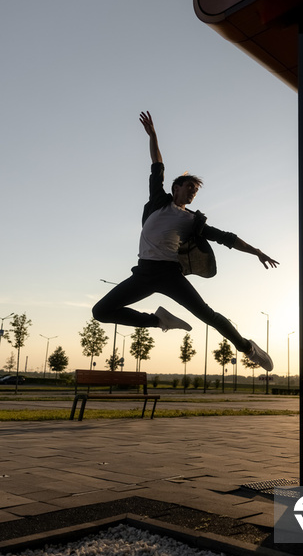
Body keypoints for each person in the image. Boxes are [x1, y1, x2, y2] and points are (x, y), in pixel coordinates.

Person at [92, 111, 278, 371]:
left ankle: (248, 348)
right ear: (175, 187)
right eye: (190, 187)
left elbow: (227, 238)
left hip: (170, 274)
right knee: (101, 311)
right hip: (143, 273)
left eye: (196, 190)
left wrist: (256, 251)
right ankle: (159, 321)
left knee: (208, 315)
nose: (193, 192)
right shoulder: (159, 201)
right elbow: (157, 166)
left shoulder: (192, 221)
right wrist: (154, 135)